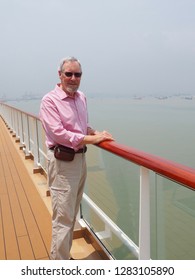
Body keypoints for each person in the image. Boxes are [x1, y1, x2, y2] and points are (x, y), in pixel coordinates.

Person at [39, 56, 114, 260]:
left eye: (77, 74)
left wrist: (95, 133)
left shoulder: (81, 97)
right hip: (63, 163)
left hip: (80, 160)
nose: (73, 78)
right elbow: (58, 134)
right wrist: (91, 138)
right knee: (63, 218)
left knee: (71, 214)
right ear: (60, 75)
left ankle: (63, 257)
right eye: (68, 74)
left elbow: (81, 127)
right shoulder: (49, 101)